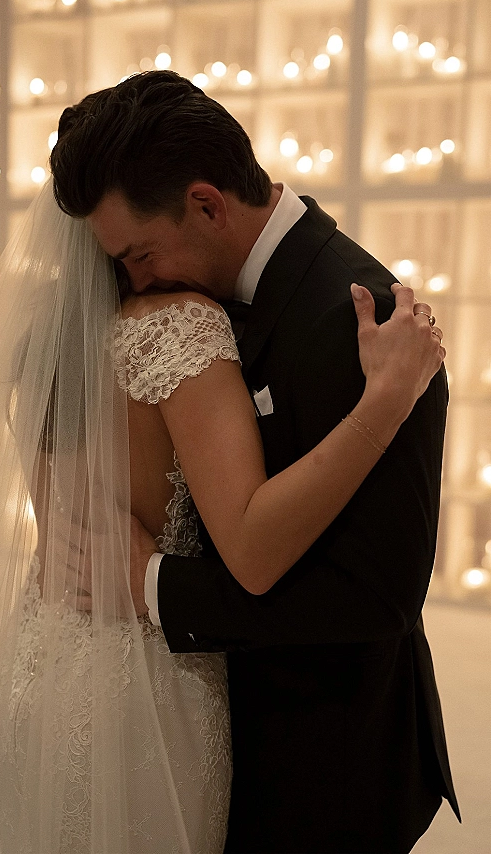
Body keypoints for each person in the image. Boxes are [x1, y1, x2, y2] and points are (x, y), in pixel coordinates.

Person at [0, 178, 441, 854]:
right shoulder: (177, 324)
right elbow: (251, 540)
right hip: (136, 696)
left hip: (28, 672)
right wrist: (385, 402)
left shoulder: (42, 340)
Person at [49, 70, 460, 853]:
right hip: (220, 732)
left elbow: (377, 596)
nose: (134, 284)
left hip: (325, 759)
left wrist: (151, 582)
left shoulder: (363, 320)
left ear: (207, 204)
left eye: (139, 255)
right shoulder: (189, 306)